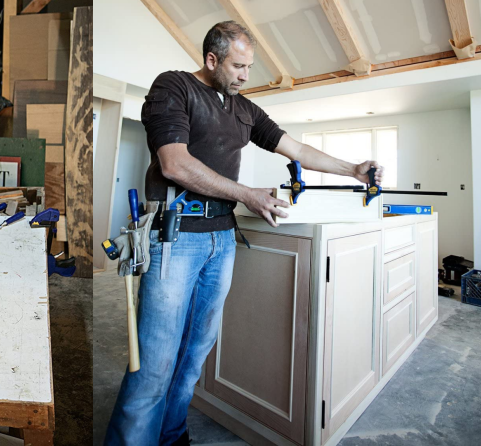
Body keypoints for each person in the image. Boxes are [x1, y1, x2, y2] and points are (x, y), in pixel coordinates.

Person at [105, 21, 384, 445]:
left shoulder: (244, 109)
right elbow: (174, 164)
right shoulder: (173, 88)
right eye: (238, 66)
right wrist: (247, 195)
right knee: (155, 361)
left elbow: (300, 150)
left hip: (221, 240)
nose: (244, 75)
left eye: (249, 67)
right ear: (211, 59)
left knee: (194, 356)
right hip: (173, 239)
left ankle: (171, 435)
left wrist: (353, 169)